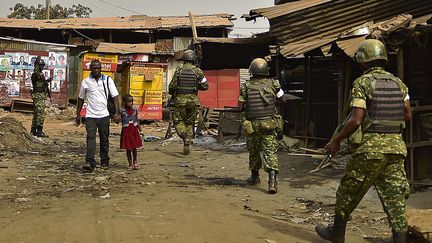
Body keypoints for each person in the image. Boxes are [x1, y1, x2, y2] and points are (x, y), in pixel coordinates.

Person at [315, 39, 412, 243]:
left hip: (370, 150)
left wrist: (336, 141)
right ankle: (400, 239)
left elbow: (356, 119)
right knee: (394, 198)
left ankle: (337, 233)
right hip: (396, 148)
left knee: (348, 191)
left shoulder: (362, 83)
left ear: (363, 61)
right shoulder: (399, 84)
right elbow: (407, 115)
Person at [238, 58, 289, 194]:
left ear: (251, 71)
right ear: (266, 71)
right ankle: (272, 182)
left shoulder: (245, 86)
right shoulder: (273, 84)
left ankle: (255, 178)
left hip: (252, 125)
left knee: (254, 151)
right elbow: (283, 99)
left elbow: (240, 107)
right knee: (270, 152)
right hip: (269, 124)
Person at [76, 60, 120, 172]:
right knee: (90, 138)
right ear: (91, 69)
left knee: (104, 139)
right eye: (94, 68)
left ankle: (105, 161)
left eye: (98, 68)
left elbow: (115, 97)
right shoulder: (85, 82)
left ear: (101, 68)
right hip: (90, 115)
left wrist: (116, 113)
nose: (96, 70)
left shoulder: (107, 80)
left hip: (104, 115)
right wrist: (78, 114)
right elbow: (80, 98)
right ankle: (90, 162)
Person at [168, 50, 208, 155]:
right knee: (189, 122)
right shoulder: (198, 71)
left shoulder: (179, 70)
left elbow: (172, 86)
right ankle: (187, 143)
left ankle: (184, 136)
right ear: (194, 60)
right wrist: (195, 86)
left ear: (184, 59)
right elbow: (205, 86)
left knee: (179, 121)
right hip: (193, 101)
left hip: (180, 100)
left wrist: (173, 95)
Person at [120, 94, 143, 170]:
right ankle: (130, 163)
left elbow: (137, 119)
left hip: (134, 131)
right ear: (124, 102)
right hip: (126, 131)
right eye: (129, 102)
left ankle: (135, 161)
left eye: (132, 101)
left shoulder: (134, 109)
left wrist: (140, 130)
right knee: (128, 148)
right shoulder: (122, 110)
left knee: (134, 147)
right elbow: (117, 120)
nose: (131, 103)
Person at [30, 56, 51, 137]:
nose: (42, 67)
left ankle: (33, 131)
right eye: (41, 65)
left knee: (36, 114)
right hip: (38, 96)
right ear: (37, 66)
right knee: (40, 114)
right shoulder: (36, 73)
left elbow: (42, 83)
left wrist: (46, 81)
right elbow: (36, 72)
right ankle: (39, 131)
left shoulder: (40, 74)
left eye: (43, 65)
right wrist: (37, 61)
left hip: (40, 95)